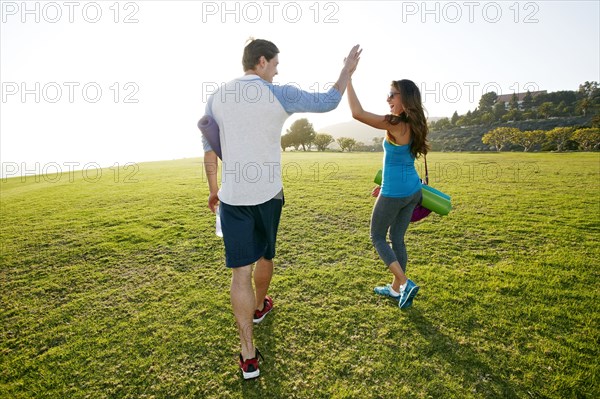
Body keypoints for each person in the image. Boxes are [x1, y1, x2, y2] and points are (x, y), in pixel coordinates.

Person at [201, 39, 361, 379]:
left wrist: (214, 191)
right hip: (269, 195)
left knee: (239, 274)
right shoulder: (278, 93)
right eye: (275, 64)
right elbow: (330, 100)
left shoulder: (216, 96)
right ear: (261, 62)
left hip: (233, 198)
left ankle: (248, 355)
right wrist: (346, 71)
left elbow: (209, 150)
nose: (277, 70)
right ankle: (260, 306)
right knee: (265, 257)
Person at [346, 74, 429, 309]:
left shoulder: (396, 123)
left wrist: (349, 80)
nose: (387, 98)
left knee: (377, 237)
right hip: (412, 190)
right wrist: (382, 183)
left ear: (406, 98)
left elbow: (357, 113)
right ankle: (395, 289)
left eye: (392, 94)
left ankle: (404, 283)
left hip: (395, 192)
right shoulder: (415, 124)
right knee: (398, 239)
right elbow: (401, 160)